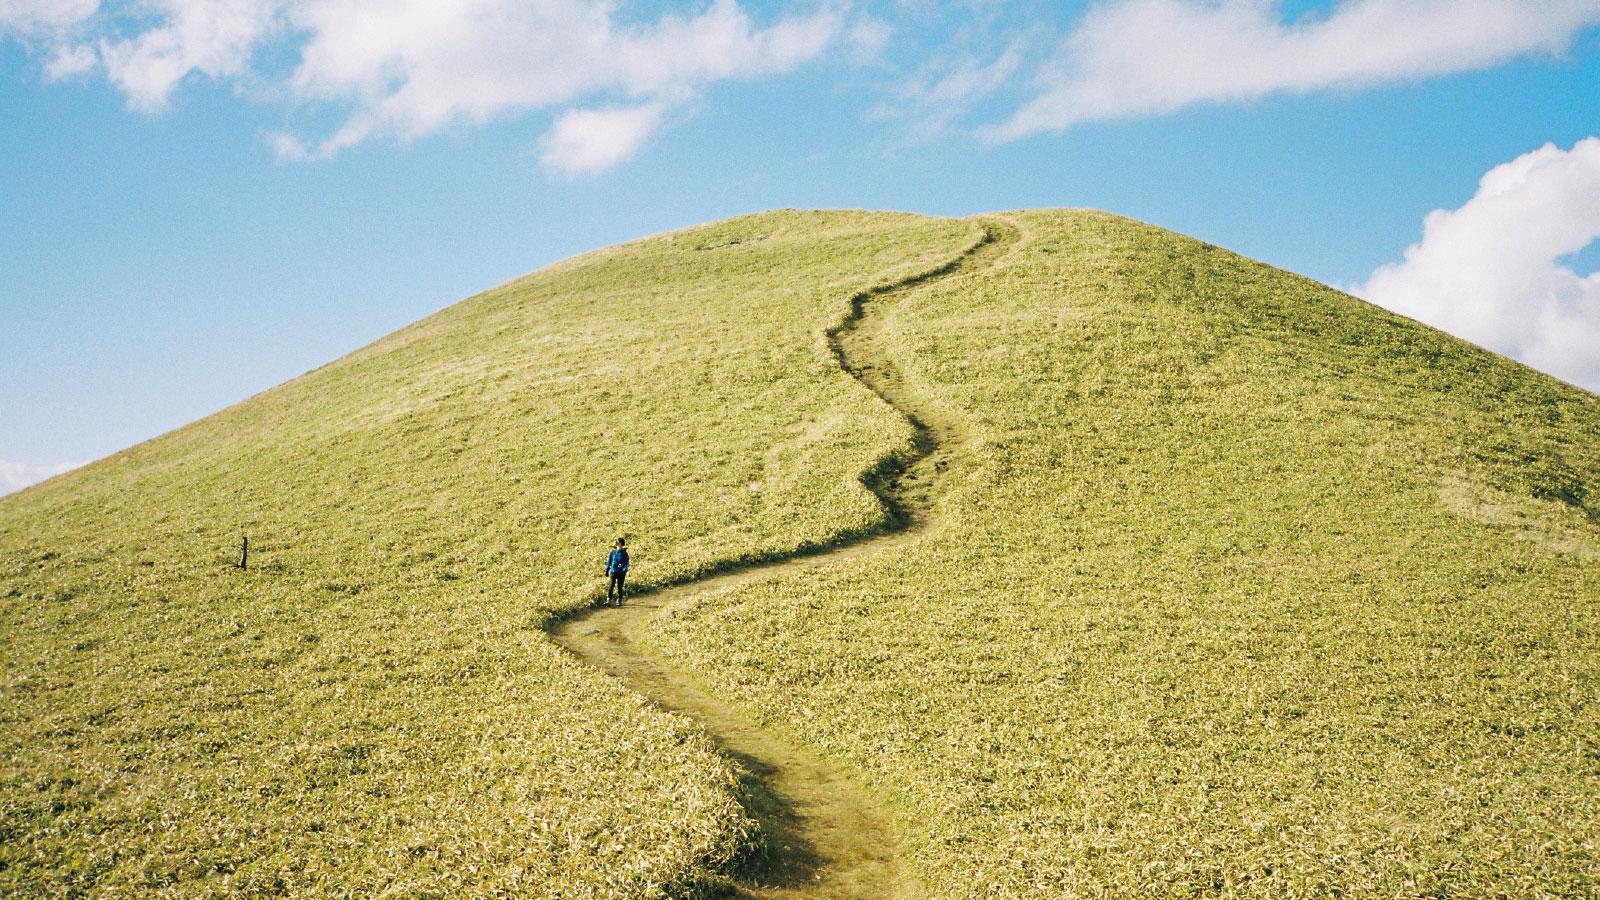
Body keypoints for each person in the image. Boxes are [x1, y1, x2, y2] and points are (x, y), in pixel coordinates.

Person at [604, 537, 630, 606]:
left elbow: (626, 563)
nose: (617, 543)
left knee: (619, 586)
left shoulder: (625, 554)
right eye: (616, 542)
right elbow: (609, 561)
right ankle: (609, 599)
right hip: (613, 571)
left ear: (621, 544)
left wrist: (624, 569)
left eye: (618, 542)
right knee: (611, 585)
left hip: (621, 573)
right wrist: (607, 570)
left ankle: (619, 599)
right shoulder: (612, 552)